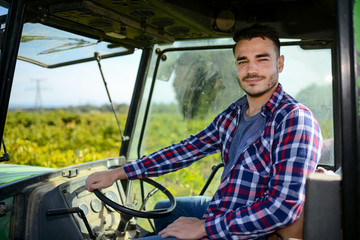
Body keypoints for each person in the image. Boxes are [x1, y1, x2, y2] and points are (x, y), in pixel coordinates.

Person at [85, 24, 323, 239]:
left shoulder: (294, 120)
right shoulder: (235, 114)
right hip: (227, 207)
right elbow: (187, 150)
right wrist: (121, 172)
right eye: (243, 61)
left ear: (279, 64)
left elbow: (282, 208)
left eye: (262, 59)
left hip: (251, 230)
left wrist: (204, 227)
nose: (252, 70)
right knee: (162, 209)